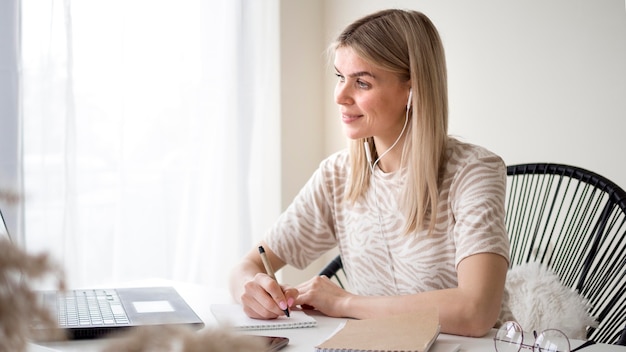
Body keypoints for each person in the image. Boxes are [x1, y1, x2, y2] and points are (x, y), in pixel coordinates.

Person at [229, 8, 513, 337]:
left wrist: (346, 303)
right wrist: (252, 290)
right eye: (340, 77)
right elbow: (245, 267)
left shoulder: (473, 172)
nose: (339, 96)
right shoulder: (337, 176)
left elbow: (476, 311)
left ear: (412, 89)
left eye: (362, 82)